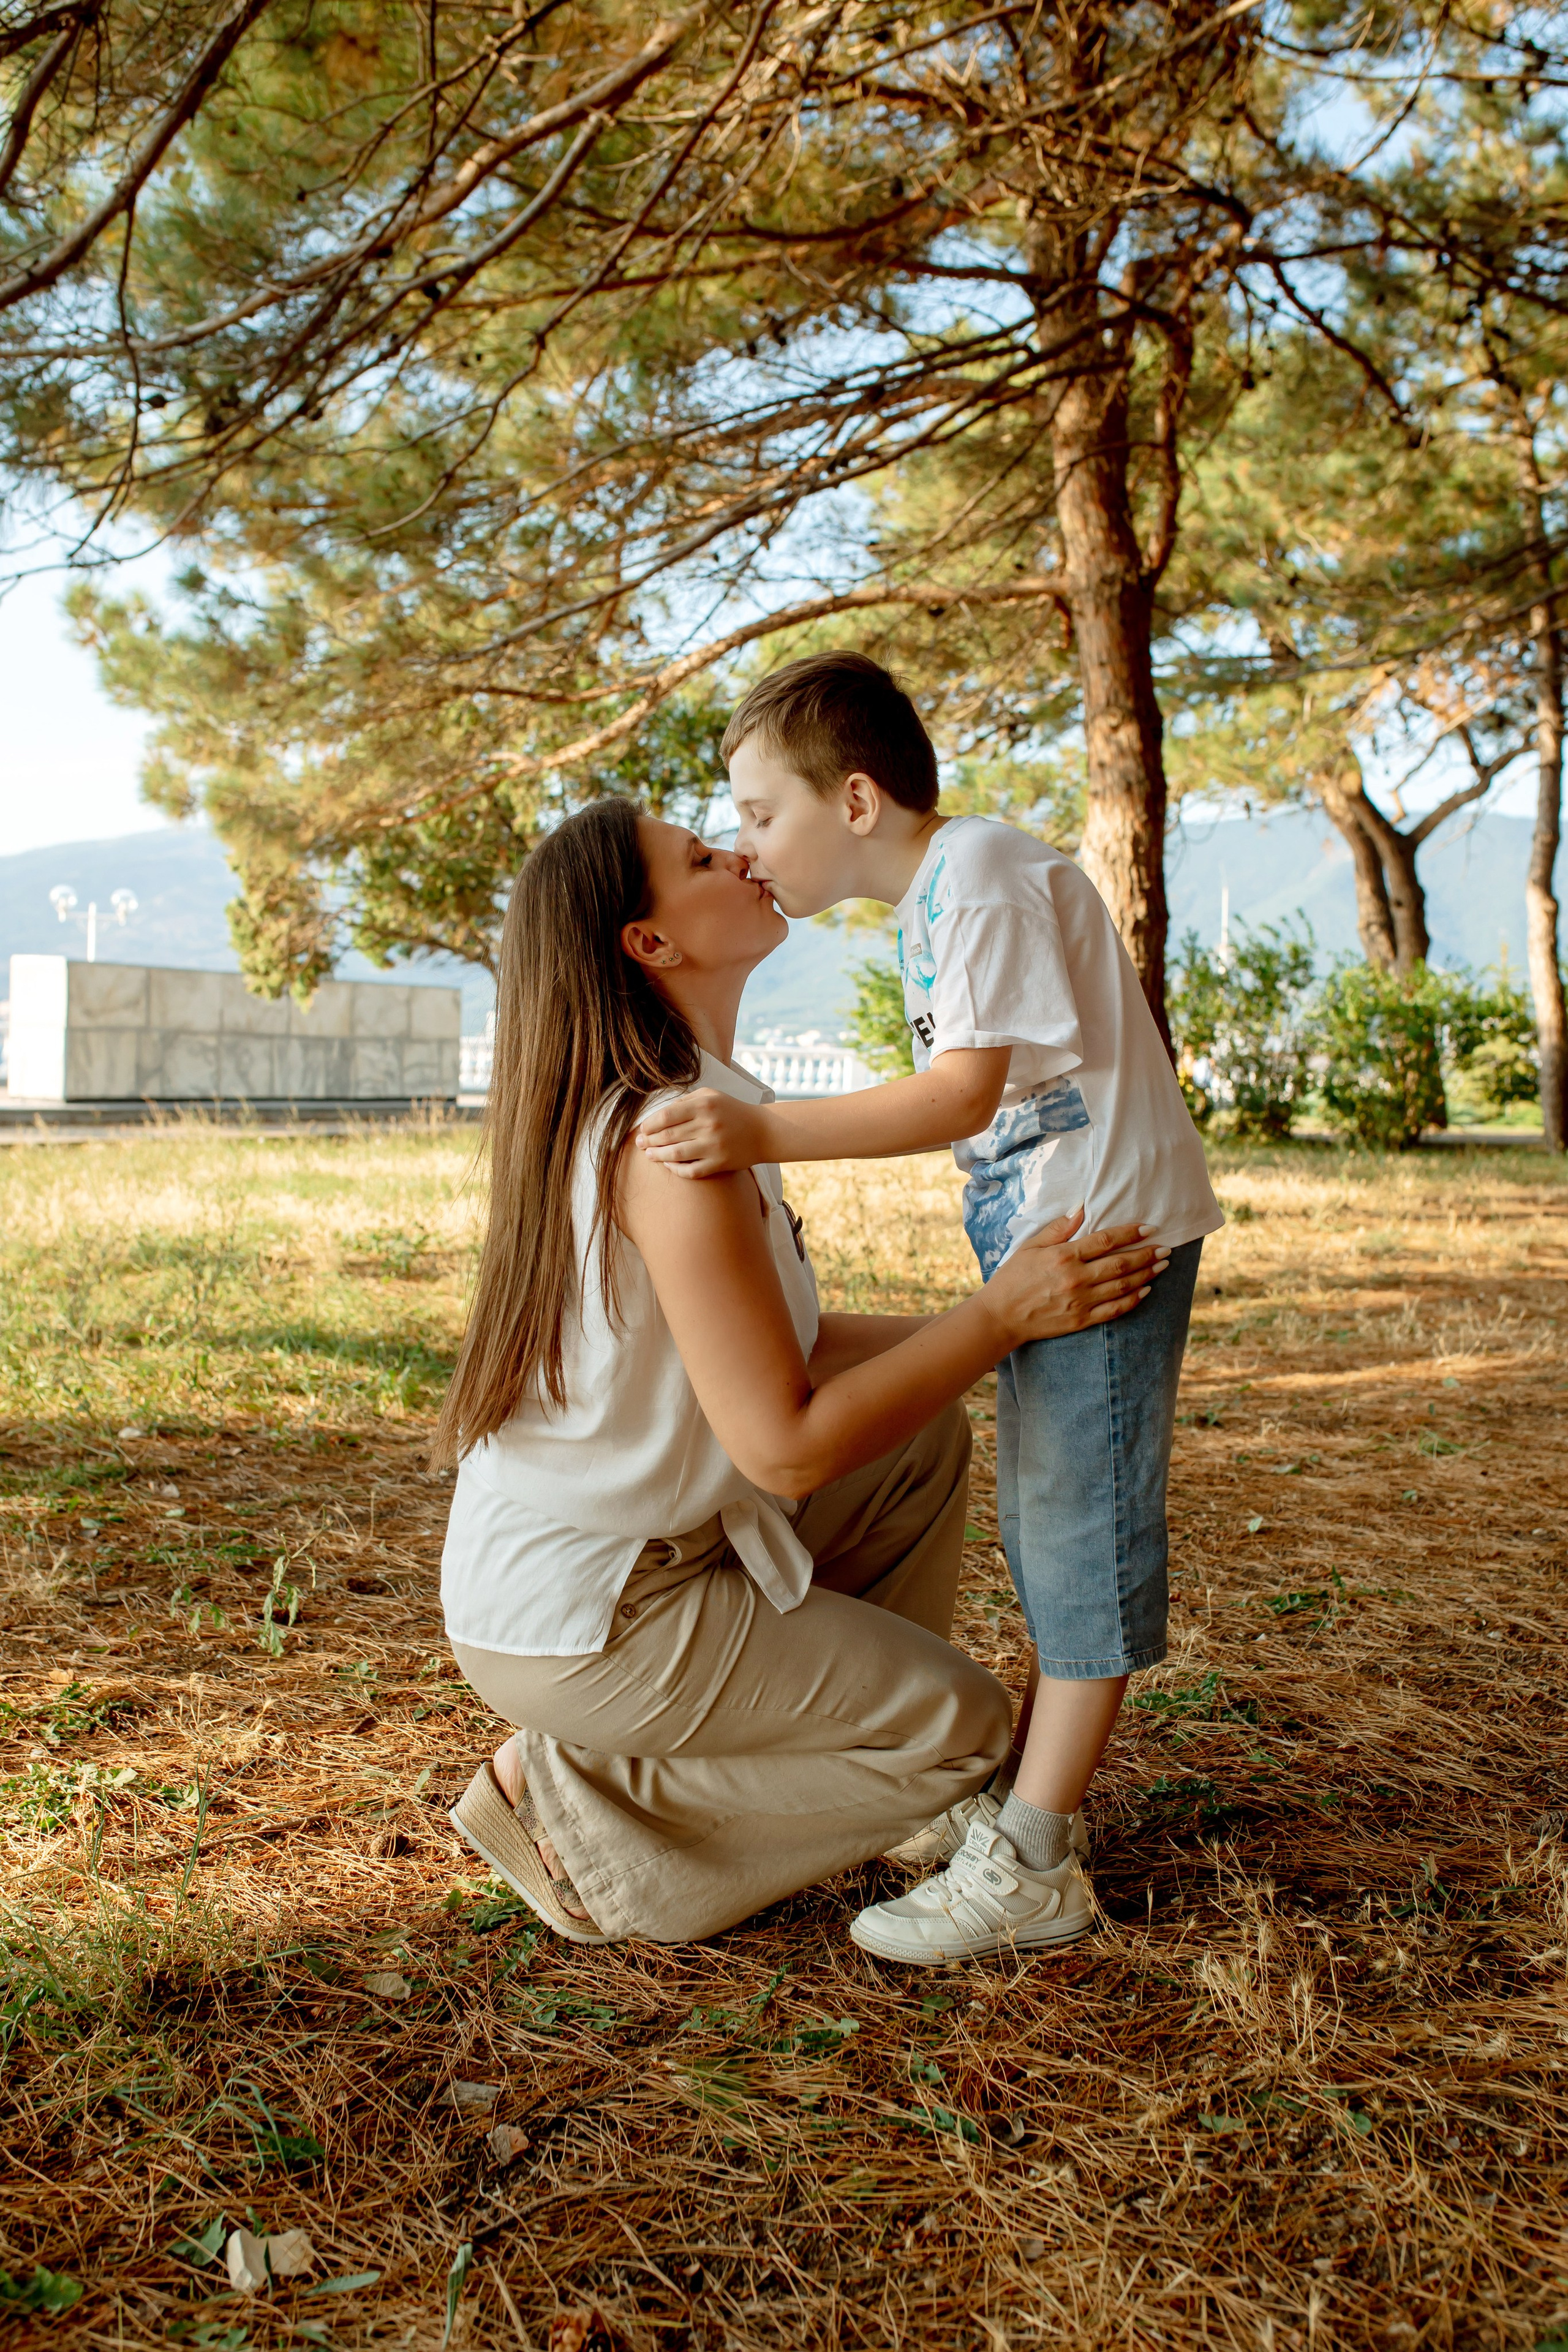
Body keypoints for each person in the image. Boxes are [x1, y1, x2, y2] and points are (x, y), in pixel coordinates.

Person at [433, 794, 1164, 1948]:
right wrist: (993, 1320)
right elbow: (783, 1443)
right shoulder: (675, 1145)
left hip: (651, 1562)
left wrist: (1014, 1318)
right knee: (965, 1733)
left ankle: (859, 1759)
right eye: (700, 858)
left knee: (920, 1439)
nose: (741, 853)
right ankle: (572, 1807)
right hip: (596, 1615)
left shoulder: (706, 1110)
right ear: (651, 943)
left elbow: (798, 1352)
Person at [636, 653, 1222, 1964]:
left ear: (852, 802)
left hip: (1099, 1240)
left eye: (757, 814)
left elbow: (962, 1095)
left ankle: (1031, 1861)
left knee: (1075, 1539)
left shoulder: (987, 876)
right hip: (1055, 1240)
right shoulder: (943, 896)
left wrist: (760, 1129)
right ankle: (1020, 1814)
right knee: (1041, 1528)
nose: (745, 849)